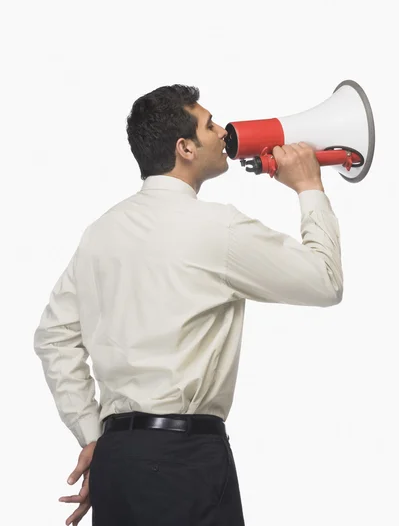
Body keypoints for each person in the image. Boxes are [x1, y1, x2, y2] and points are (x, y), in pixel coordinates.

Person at [33, 84, 343, 526]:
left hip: (116, 459)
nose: (222, 134)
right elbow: (326, 281)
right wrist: (309, 187)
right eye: (210, 125)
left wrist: (92, 434)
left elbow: (53, 337)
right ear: (185, 148)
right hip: (184, 457)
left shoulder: (101, 231)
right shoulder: (218, 228)